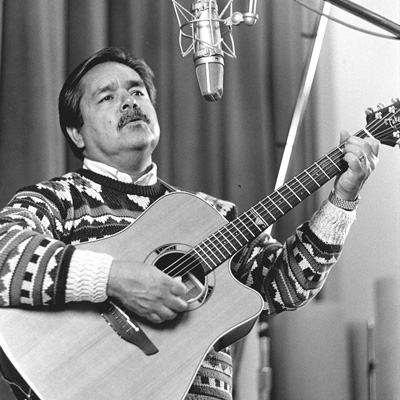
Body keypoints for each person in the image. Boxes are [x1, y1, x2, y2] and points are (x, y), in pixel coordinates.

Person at [0, 47, 379, 400]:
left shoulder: (213, 215)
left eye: (138, 92)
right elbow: (4, 255)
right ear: (76, 132)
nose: (130, 102)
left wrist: (342, 199)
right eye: (107, 97)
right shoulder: (57, 200)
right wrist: (116, 279)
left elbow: (287, 287)